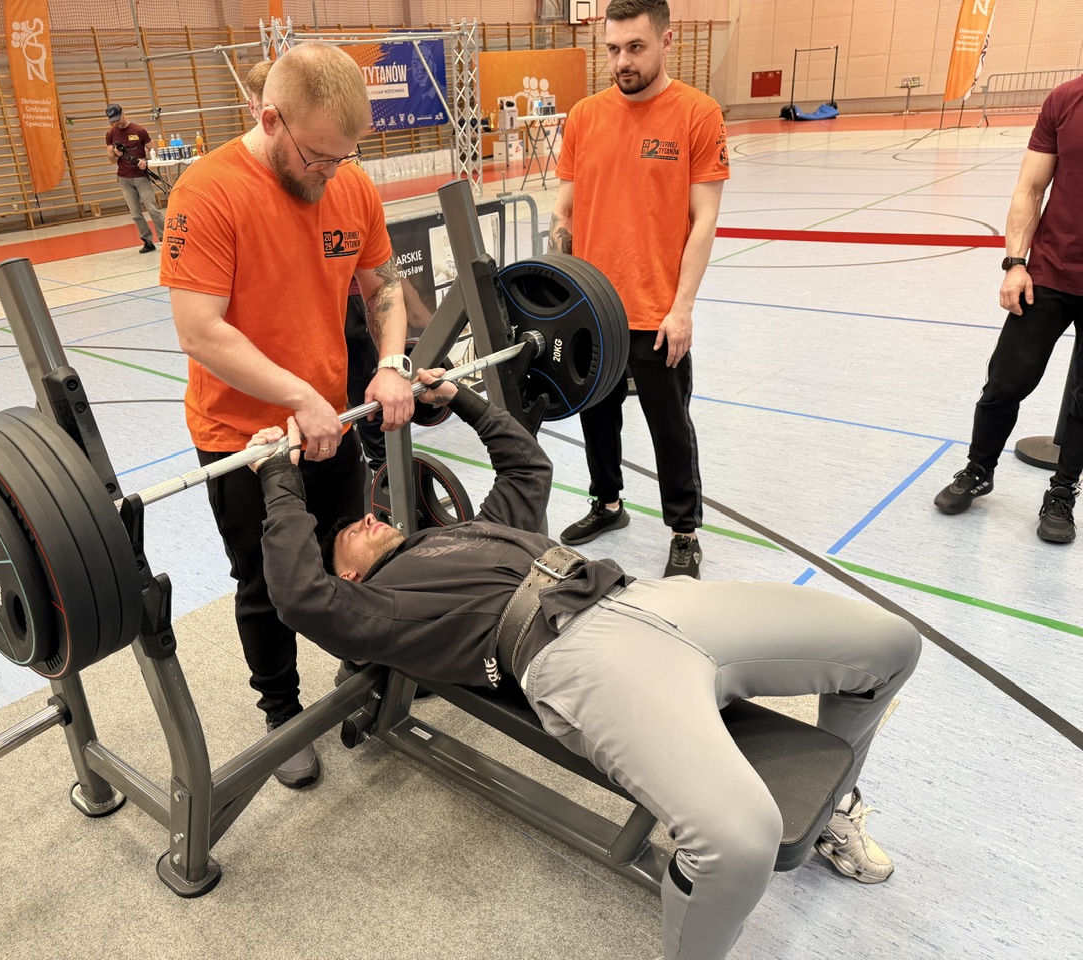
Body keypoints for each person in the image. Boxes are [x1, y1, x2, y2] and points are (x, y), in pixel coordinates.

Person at [246, 370, 921, 960]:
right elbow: (300, 595)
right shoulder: (381, 608)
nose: (364, 519)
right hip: (580, 658)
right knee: (740, 842)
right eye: (348, 537)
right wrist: (280, 478)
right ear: (349, 579)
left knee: (890, 645)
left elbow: (527, 468)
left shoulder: (468, 531)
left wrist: (463, 400)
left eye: (363, 518)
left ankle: (836, 806)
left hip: (651, 597)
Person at [158, 43, 415, 788]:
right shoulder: (207, 194)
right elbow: (199, 330)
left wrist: (392, 362)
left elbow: (383, 286)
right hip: (243, 439)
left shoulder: (349, 183)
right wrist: (300, 396)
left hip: (331, 423)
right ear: (268, 119)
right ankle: (281, 714)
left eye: (344, 157)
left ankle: (363, 668)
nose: (331, 172)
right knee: (268, 582)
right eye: (318, 157)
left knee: (350, 554)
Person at [549, 0, 729, 579]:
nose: (622, 61)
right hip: (592, 308)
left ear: (666, 41)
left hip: (657, 310)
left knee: (669, 425)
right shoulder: (584, 117)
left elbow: (704, 219)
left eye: (635, 47)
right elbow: (565, 211)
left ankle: (683, 530)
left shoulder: (698, 114)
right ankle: (607, 504)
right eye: (612, 49)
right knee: (596, 417)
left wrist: (683, 309)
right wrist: (561, 296)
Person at [934, 74, 1082, 544]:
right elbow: (1030, 187)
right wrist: (1016, 264)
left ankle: (1062, 492)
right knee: (1004, 382)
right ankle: (979, 469)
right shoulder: (1065, 100)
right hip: (1049, 273)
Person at [104, 103, 163, 253]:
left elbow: (154, 149)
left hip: (140, 177)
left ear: (123, 114)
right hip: (124, 178)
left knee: (153, 209)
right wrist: (116, 154)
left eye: (117, 119)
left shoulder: (139, 130)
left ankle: (166, 237)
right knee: (135, 213)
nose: (116, 123)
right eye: (112, 121)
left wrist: (146, 160)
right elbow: (111, 159)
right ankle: (147, 241)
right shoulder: (110, 134)